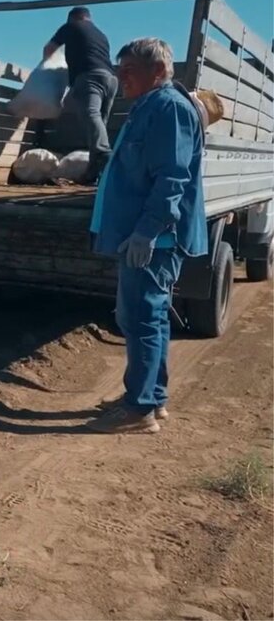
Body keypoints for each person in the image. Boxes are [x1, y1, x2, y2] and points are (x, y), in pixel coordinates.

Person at [85, 38, 212, 435]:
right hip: (146, 236)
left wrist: (146, 233)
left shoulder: (169, 108)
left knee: (139, 317)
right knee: (148, 317)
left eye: (130, 70)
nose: (122, 76)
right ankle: (152, 399)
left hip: (154, 240)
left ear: (158, 71)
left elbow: (172, 178)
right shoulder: (150, 106)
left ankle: (138, 410)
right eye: (119, 69)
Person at [44, 7, 117, 185]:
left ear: (73, 18)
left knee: (90, 115)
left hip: (89, 76)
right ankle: (93, 173)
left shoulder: (71, 26)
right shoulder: (101, 35)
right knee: (99, 126)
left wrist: (46, 70)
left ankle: (104, 154)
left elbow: (49, 49)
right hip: (111, 80)